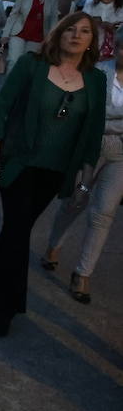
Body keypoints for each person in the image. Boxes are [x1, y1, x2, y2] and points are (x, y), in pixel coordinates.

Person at [0, 12, 105, 337]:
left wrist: (85, 181)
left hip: (56, 172)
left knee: (17, 227)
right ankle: (7, 305)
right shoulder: (32, 65)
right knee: (19, 229)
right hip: (18, 162)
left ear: (93, 39)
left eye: (85, 31)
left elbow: (92, 135)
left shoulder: (95, 80)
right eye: (70, 30)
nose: (76, 35)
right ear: (58, 34)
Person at [41, 44, 123, 304]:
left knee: (104, 213)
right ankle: (54, 245)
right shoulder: (98, 72)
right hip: (90, 146)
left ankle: (83, 274)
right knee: (75, 201)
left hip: (120, 152)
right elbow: (85, 112)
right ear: (117, 47)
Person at [2, 0, 61, 70]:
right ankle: (10, 84)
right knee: (13, 60)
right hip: (19, 31)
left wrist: (52, 39)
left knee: (27, 65)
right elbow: (14, 13)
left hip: (38, 35)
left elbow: (53, 19)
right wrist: (6, 33)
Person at [80, 0, 122, 68]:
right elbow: (81, 21)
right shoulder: (90, 2)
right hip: (90, 47)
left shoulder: (120, 8)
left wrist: (113, 27)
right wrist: (93, 21)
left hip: (110, 54)